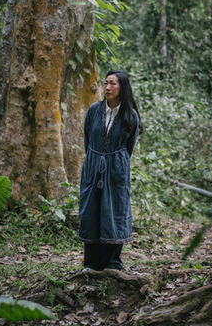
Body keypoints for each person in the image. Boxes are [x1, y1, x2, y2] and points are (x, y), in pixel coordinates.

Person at [78, 70, 141, 272]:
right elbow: (88, 139)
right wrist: (96, 160)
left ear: (122, 87)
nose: (107, 87)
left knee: (114, 211)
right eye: (105, 83)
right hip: (93, 165)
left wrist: (115, 163)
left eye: (113, 84)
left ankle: (112, 262)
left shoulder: (130, 115)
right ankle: (91, 263)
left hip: (116, 169)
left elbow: (128, 147)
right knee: (91, 211)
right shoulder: (94, 110)